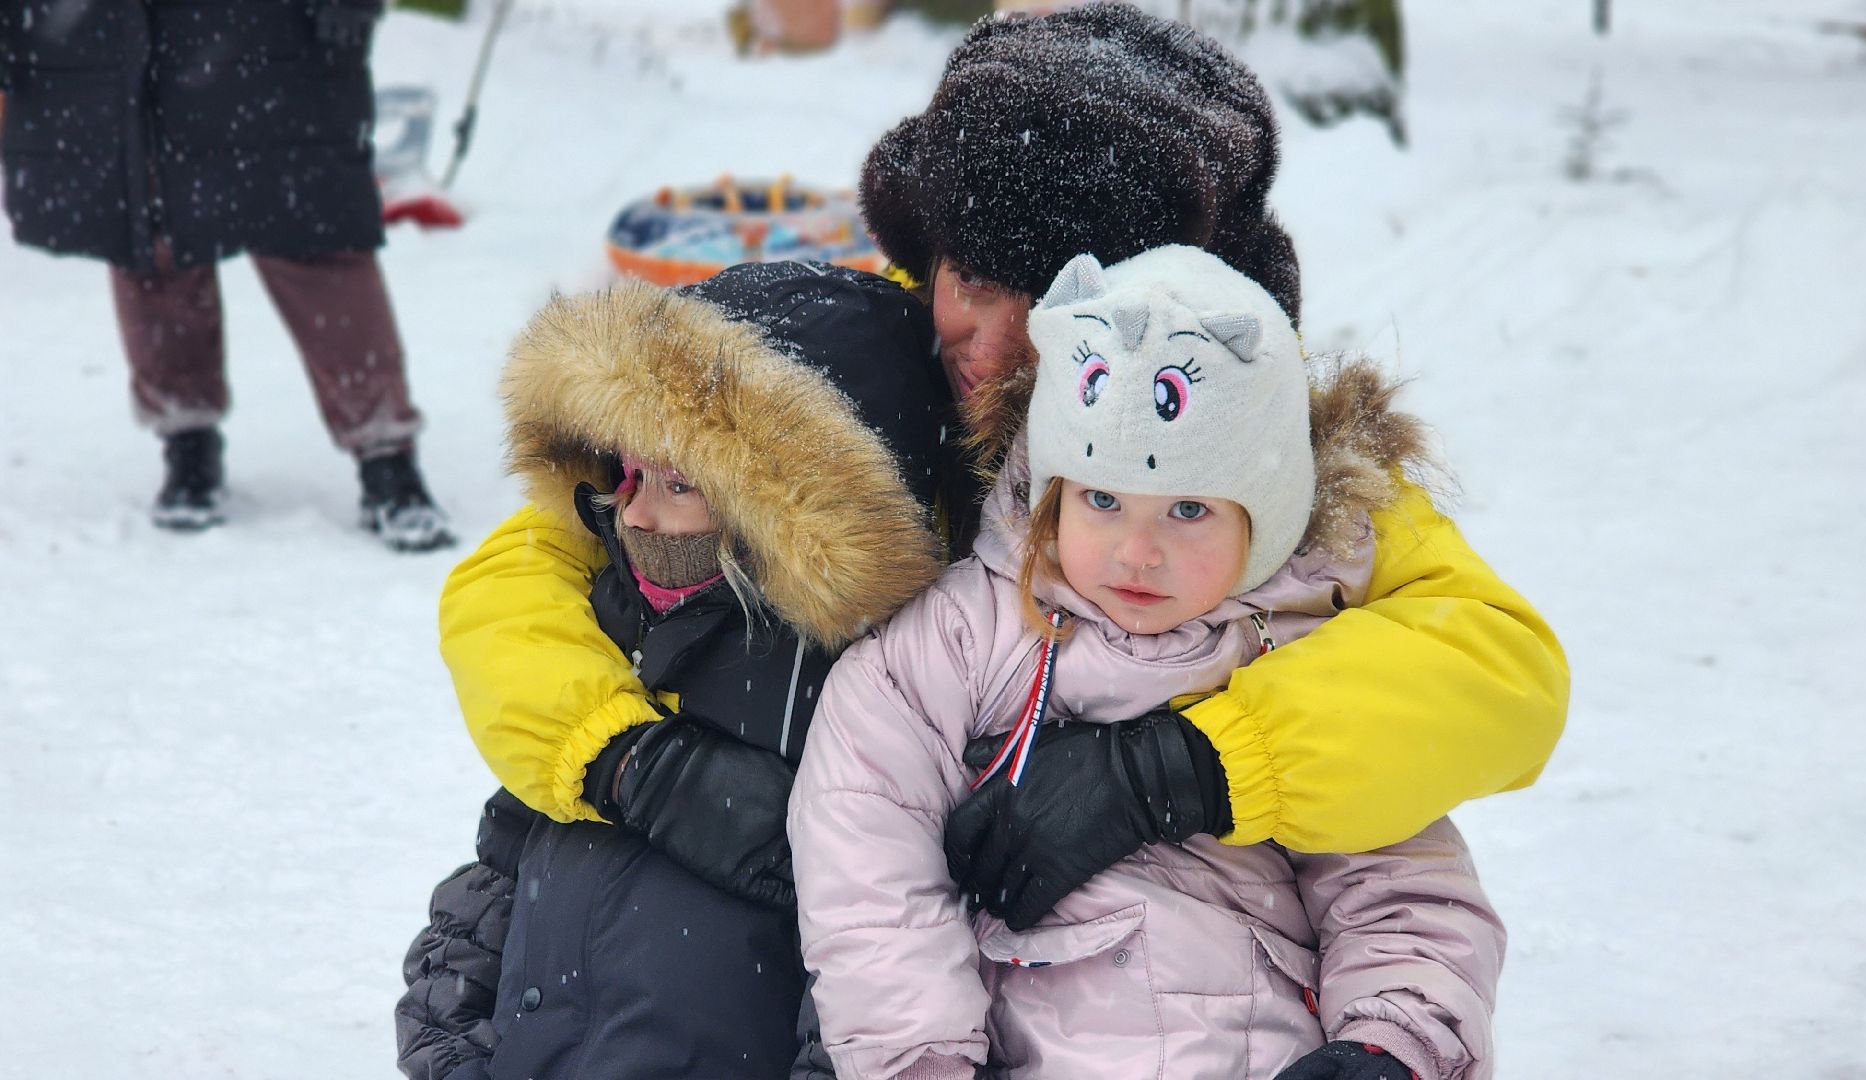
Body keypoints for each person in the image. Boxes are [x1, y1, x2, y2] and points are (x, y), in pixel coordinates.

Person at [438, 2, 1566, 944]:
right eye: (968, 278)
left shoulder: (1245, 439)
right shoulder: (859, 368)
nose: (986, 343)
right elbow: (516, 581)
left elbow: (1495, 673)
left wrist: (1182, 767)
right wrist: (630, 761)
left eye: (1052, 306)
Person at [792, 245, 1503, 1080]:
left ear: (1266, 517)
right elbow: (867, 845)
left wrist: (1390, 1045)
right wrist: (921, 1057)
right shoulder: (962, 639)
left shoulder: (1308, 657)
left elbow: (1399, 888)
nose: (1137, 552)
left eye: (1189, 509)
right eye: (1101, 499)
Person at [396, 262, 954, 1080]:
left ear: (783, 511)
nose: (638, 513)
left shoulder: (839, 696)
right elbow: (509, 857)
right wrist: (453, 1035)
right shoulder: (612, 622)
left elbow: (867, 975)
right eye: (632, 475)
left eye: (681, 483)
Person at [0, 0, 453, 549]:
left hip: (265, 28)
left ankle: (387, 457)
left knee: (315, 234)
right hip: (101, 30)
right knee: (152, 239)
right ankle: (186, 438)